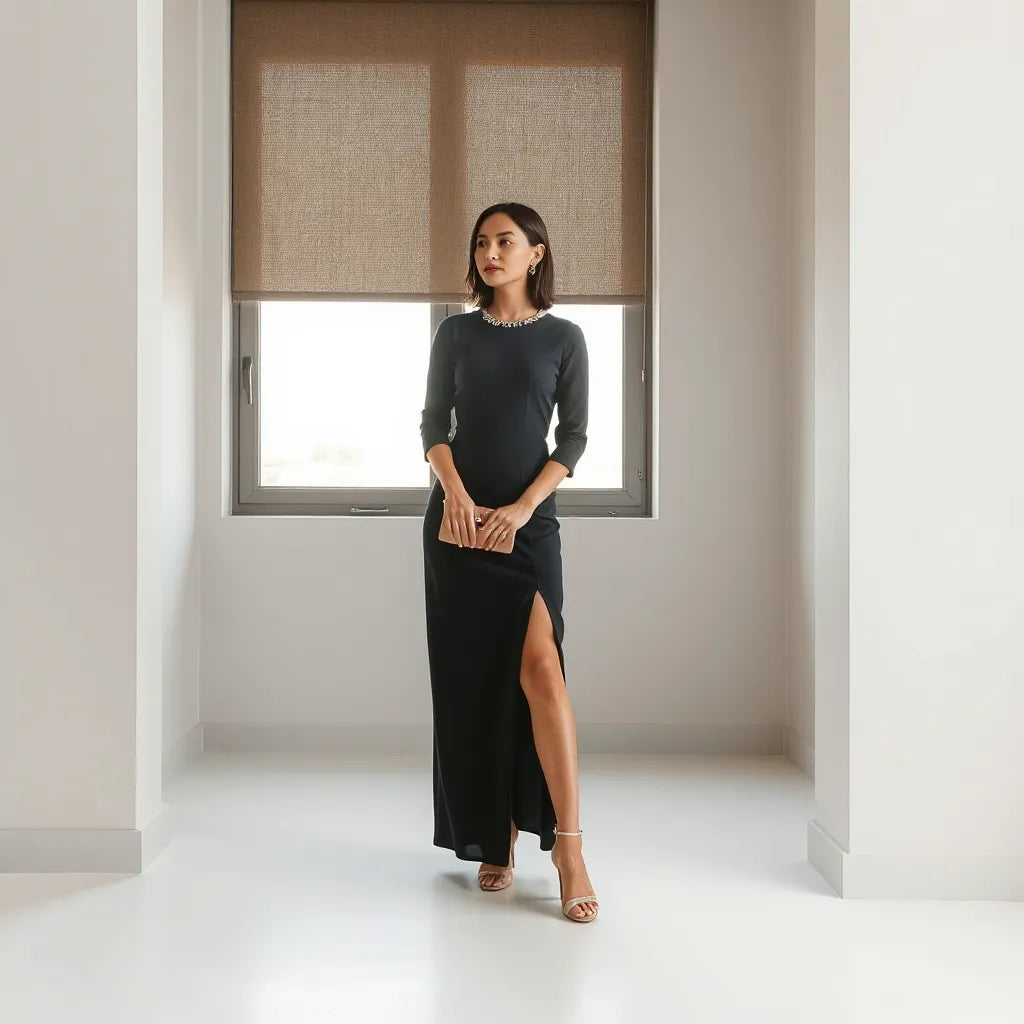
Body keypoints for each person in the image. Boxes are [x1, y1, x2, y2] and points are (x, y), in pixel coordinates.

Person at [419, 202, 599, 923]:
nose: (490, 252)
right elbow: (434, 425)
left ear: (536, 254)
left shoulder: (565, 337)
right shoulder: (455, 333)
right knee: (474, 684)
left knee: (542, 673)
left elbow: (575, 438)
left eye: (506, 241)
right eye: (482, 242)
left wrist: (522, 510)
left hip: (527, 529)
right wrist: (455, 494)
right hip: (458, 530)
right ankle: (495, 836)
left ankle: (569, 846)